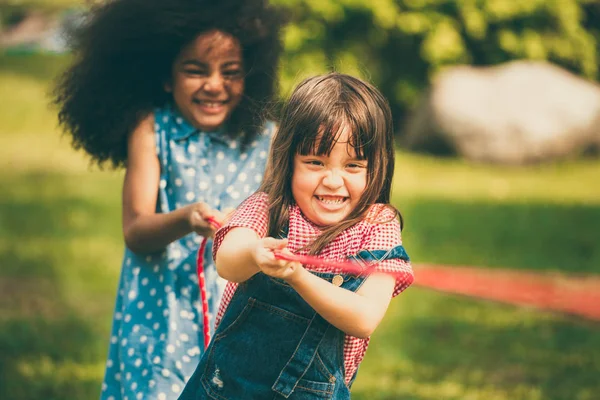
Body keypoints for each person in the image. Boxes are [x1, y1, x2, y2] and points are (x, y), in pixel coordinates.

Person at [52, 0, 287, 398]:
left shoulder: (267, 139)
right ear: (165, 76)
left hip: (234, 309)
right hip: (160, 315)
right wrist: (186, 219)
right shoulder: (150, 130)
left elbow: (282, 224)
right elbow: (135, 230)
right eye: (196, 70)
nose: (214, 84)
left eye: (230, 73)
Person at [178, 72, 414, 400]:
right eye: (315, 162)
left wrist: (299, 277)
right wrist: (254, 254)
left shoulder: (376, 226)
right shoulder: (269, 208)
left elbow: (364, 318)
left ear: (377, 166)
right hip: (222, 388)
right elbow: (228, 262)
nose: (333, 180)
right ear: (289, 161)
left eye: (353, 166)